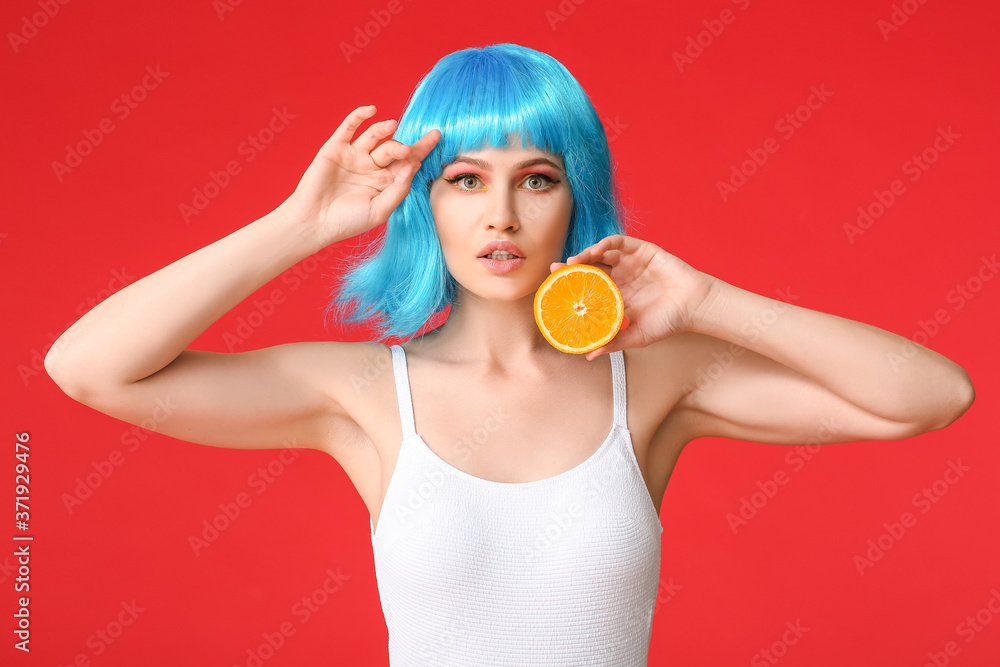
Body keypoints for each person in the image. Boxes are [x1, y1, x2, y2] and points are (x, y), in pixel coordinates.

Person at [45, 43, 974, 666]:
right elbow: (89, 367)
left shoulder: (650, 380)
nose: (501, 215)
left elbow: (930, 395)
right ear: (425, 202)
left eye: (536, 179)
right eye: (464, 180)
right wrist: (300, 226)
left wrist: (711, 303)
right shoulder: (368, 392)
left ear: (576, 198)